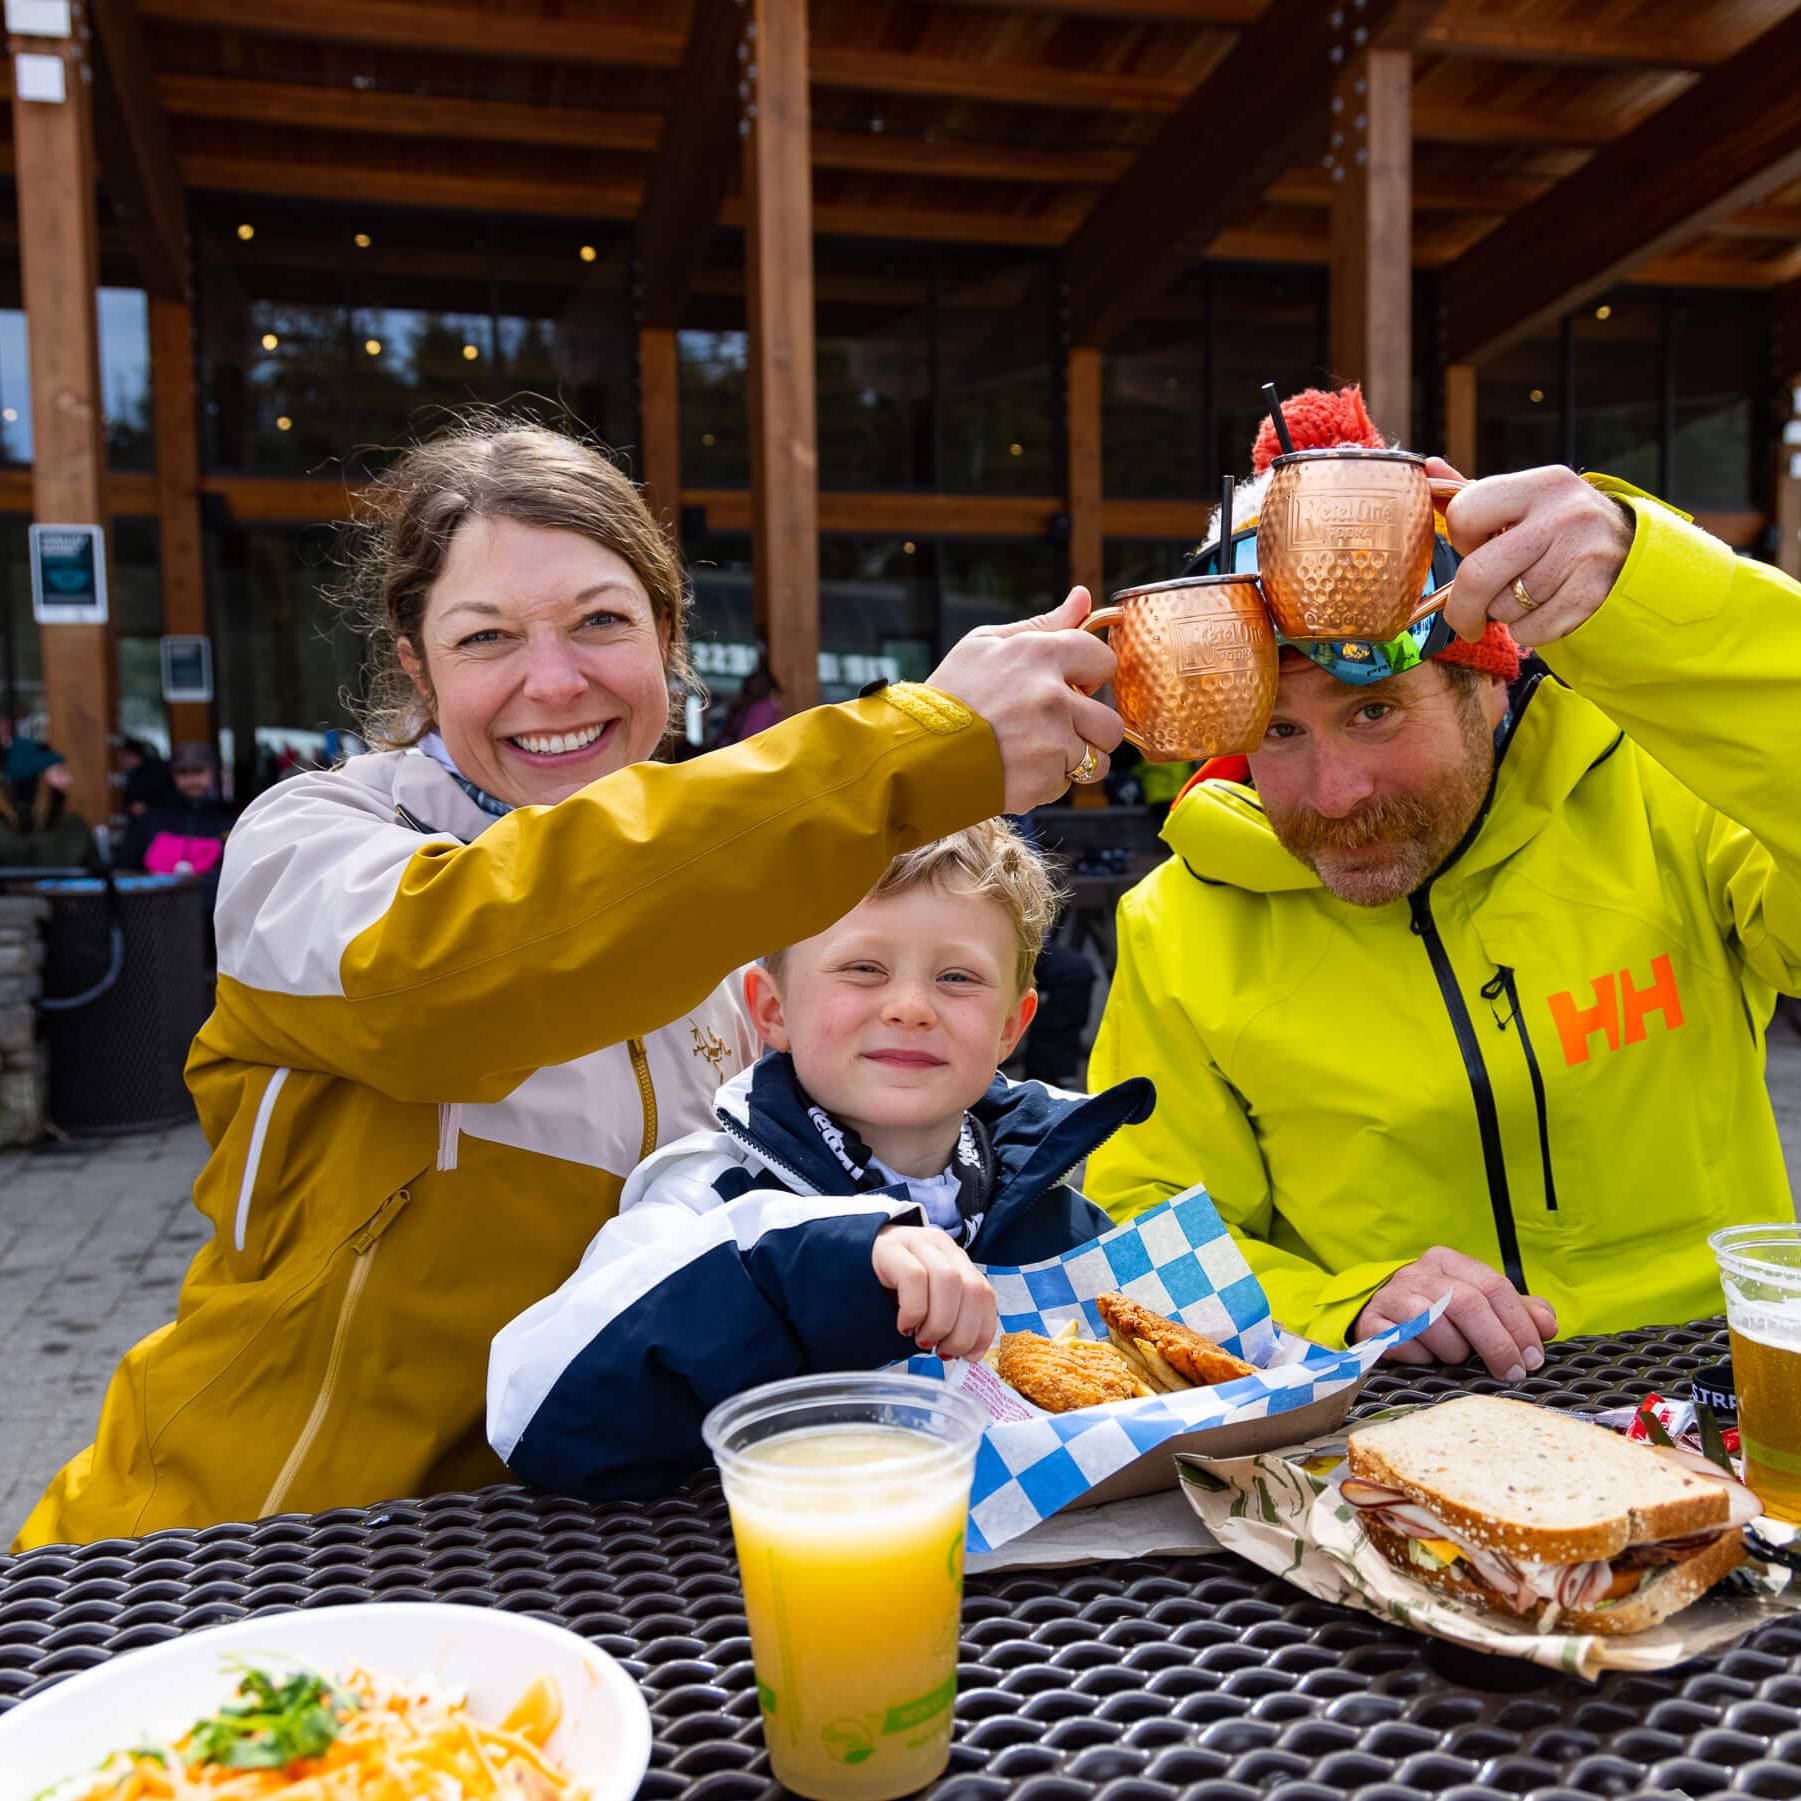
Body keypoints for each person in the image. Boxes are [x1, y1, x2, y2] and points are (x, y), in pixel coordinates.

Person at [15, 418, 1122, 1549]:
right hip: (244, 1545)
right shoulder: (309, 843)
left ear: (665, 637)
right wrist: (905, 752)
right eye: (487, 636)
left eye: (600, 621)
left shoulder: (747, 913)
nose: (554, 681)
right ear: (416, 663)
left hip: (590, 1557)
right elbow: (463, 971)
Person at [1086, 384, 1799, 1382]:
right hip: (1386, 1432)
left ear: (1486, 681)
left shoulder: (1666, 796)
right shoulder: (1176, 921)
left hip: (1721, 1390)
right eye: (1276, 731)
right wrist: (1349, 1304)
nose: (1333, 796)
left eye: (1372, 711)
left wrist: (1649, 594)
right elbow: (1145, 1237)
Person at [487, 819, 1153, 1498]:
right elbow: (531, 1412)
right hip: (745, 1577)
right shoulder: (711, 1195)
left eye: (957, 976)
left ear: (1012, 1026)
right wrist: (816, 1258)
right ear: (771, 1009)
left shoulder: (1052, 1213)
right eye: (863, 968)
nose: (910, 1006)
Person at [116, 742, 234, 875]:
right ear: (172, 776)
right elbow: (126, 868)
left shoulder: (230, 819)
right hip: (161, 894)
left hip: (212, 893)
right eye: (183, 773)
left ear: (212, 773)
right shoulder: (150, 820)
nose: (191, 780)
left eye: (198, 771)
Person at [0, 739, 103, 873]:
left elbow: (97, 874)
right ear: (36, 780)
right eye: (60, 772)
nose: (69, 780)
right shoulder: (72, 827)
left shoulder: (74, 825)